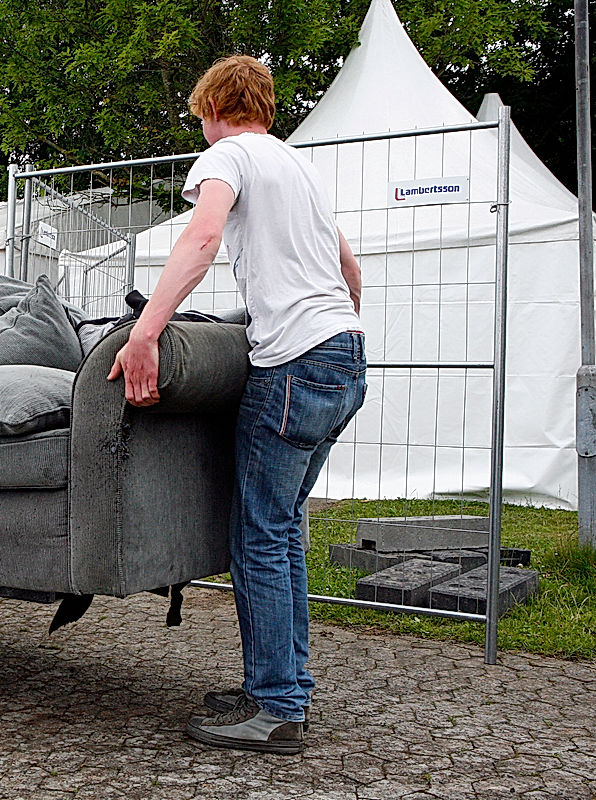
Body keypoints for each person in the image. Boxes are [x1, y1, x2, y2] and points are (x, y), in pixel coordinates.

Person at [108, 55, 365, 754]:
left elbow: (202, 237)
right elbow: (351, 270)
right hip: (344, 358)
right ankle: (279, 689)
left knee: (258, 536)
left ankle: (277, 706)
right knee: (280, 533)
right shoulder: (297, 165)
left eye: (201, 121)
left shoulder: (230, 155)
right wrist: (332, 330)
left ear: (213, 109)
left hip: (294, 368)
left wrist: (146, 332)